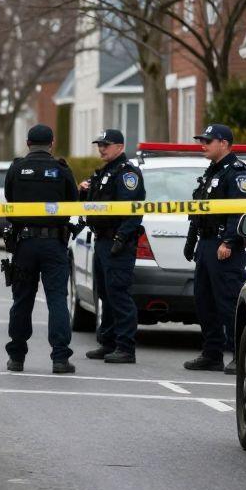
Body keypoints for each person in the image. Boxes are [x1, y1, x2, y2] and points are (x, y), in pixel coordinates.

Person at [3, 124, 79, 374]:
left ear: (27, 143)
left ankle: (16, 357)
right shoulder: (61, 170)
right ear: (52, 143)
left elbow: (9, 201)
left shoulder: (15, 169)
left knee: (22, 300)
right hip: (53, 245)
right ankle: (59, 358)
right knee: (57, 299)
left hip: (24, 245)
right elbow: (73, 205)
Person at [183, 124, 246, 374]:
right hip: (206, 244)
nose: (203, 144)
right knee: (204, 302)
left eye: (208, 141)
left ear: (223, 143)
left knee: (228, 302)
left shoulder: (237, 174)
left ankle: (239, 355)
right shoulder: (212, 172)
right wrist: (192, 241)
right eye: (202, 140)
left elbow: (240, 211)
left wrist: (230, 241)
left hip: (223, 246)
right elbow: (200, 210)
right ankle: (211, 354)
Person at [79, 129, 146, 364]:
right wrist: (82, 192)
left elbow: (131, 212)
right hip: (102, 240)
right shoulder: (104, 173)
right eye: (99, 145)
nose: (101, 148)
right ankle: (107, 343)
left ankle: (125, 347)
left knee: (119, 294)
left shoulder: (127, 174)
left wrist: (121, 238)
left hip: (118, 243)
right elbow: (91, 206)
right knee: (105, 295)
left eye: (106, 145)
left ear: (119, 146)